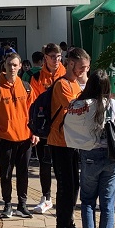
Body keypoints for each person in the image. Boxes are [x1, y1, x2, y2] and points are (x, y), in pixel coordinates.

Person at [62, 69, 115, 228]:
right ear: (107, 86)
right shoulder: (112, 104)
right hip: (112, 158)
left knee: (88, 200)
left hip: (90, 156)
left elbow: (68, 120)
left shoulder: (81, 104)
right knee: (108, 202)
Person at [0, 52, 36, 219]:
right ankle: (7, 205)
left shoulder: (26, 87)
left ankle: (22, 206)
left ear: (20, 66)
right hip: (4, 139)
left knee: (23, 174)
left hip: (25, 139)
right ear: (4, 65)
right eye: (9, 64)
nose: (12, 68)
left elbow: (34, 112)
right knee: (6, 174)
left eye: (15, 65)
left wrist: (35, 133)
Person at [48, 47, 90, 228]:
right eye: (82, 67)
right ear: (71, 64)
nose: (84, 71)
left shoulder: (74, 84)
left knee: (74, 185)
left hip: (71, 142)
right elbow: (76, 106)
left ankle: (68, 224)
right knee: (66, 186)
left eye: (87, 68)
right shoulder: (63, 84)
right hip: (59, 142)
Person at [29, 43, 66, 215]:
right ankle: (46, 197)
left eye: (58, 57)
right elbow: (33, 104)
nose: (56, 60)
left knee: (63, 165)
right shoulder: (37, 77)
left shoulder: (67, 74)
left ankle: (64, 197)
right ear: (45, 58)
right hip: (45, 127)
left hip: (64, 128)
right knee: (45, 163)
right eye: (52, 57)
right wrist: (34, 129)